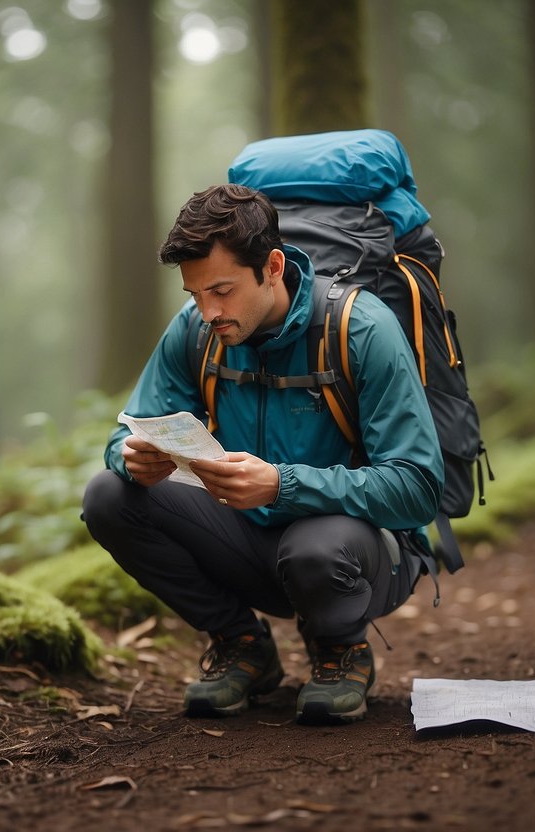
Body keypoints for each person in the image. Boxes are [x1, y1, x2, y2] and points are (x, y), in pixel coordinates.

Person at [82, 183, 443, 724]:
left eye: (222, 290)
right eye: (195, 294)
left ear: (272, 266)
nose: (207, 311)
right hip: (246, 537)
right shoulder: (197, 332)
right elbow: (128, 430)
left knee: (314, 548)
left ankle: (340, 649)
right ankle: (241, 643)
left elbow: (417, 489)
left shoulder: (361, 329)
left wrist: (282, 485)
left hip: (357, 552)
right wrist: (130, 457)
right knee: (109, 496)